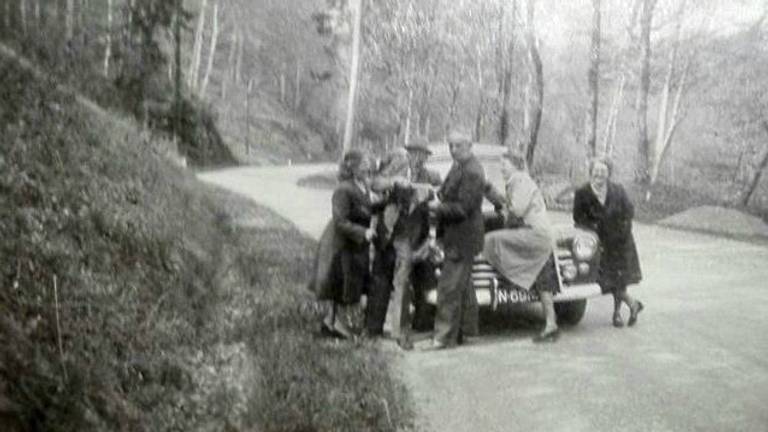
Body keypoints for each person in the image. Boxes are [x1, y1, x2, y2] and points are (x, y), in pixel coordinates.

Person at [365, 140, 438, 350]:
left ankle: (400, 332)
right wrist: (395, 181)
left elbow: (437, 195)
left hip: (410, 235)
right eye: (414, 154)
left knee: (403, 283)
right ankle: (373, 328)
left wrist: (428, 194)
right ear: (408, 153)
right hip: (388, 232)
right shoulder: (396, 168)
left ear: (426, 157)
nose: (417, 158)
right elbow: (375, 183)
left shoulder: (429, 176)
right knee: (381, 280)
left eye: (422, 155)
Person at [482, 150, 560, 342]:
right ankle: (551, 323)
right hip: (539, 236)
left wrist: (500, 203)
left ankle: (511, 280)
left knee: (491, 240)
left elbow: (517, 210)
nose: (502, 168)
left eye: (504, 164)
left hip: (533, 232)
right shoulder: (519, 181)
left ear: (515, 165)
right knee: (542, 275)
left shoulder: (519, 179)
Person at [424, 130, 486, 350]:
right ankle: (468, 332)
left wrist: (437, 207)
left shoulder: (472, 171)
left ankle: (443, 338)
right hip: (458, 235)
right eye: (450, 145)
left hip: (463, 237)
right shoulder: (458, 166)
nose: (453, 149)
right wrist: (434, 195)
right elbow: (447, 191)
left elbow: (463, 209)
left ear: (469, 145)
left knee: (448, 288)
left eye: (457, 145)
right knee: (464, 286)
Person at [308, 150, 376, 339]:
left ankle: (332, 324)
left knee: (348, 284)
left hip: (353, 244)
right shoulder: (343, 189)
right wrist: (364, 232)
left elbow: (365, 209)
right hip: (339, 243)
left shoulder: (361, 186)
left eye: (368, 164)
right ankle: (335, 326)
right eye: (363, 165)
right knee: (340, 283)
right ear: (352, 168)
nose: (368, 168)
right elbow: (340, 221)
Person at [573, 157, 644, 328]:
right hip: (600, 245)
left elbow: (629, 212)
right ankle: (633, 303)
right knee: (603, 280)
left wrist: (623, 231)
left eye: (603, 172)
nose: (599, 175)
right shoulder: (582, 192)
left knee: (620, 280)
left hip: (621, 243)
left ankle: (617, 314)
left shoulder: (617, 190)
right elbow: (577, 218)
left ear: (608, 174)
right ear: (591, 172)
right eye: (596, 171)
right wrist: (593, 231)